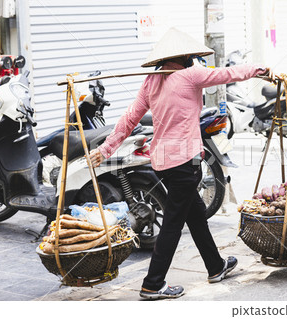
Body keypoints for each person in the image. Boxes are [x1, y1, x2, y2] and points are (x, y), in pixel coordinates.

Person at [89, 27, 273, 300]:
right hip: (184, 162)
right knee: (174, 223)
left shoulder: (152, 80)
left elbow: (130, 118)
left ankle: (216, 266)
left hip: (163, 162)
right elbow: (228, 74)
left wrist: (106, 149)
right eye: (192, 55)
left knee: (196, 216)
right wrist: (261, 69)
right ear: (186, 56)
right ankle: (153, 283)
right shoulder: (191, 75)